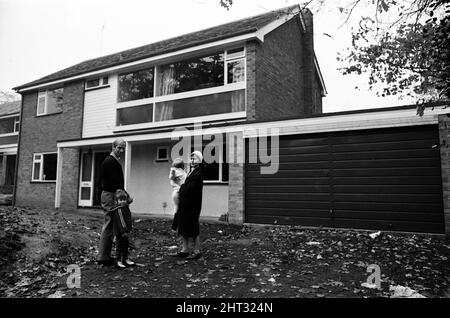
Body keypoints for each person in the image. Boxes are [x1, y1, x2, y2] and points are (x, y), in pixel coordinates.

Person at [97, 138, 131, 266]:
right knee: (109, 224)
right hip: (110, 195)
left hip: (113, 194)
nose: (121, 150)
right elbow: (113, 183)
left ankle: (105, 256)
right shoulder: (109, 161)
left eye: (123, 148)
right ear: (113, 147)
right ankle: (103, 257)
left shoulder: (114, 161)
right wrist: (125, 195)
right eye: (119, 148)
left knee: (113, 225)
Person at [171, 151, 204, 260]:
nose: (191, 160)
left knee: (193, 228)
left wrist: (181, 185)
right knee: (183, 226)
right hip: (185, 203)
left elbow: (189, 189)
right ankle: (185, 250)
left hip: (192, 204)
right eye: (191, 158)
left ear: (199, 160)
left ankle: (197, 250)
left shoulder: (198, 173)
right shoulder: (191, 171)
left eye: (194, 158)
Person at [110, 189, 135, 268]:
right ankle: (118, 260)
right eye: (120, 200)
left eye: (124, 199)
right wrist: (124, 231)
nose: (123, 201)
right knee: (120, 246)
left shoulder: (125, 208)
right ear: (117, 201)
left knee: (126, 245)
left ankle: (125, 259)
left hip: (125, 231)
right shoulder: (119, 210)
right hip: (120, 232)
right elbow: (122, 221)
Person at [169, 158, 187, 227]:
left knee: (178, 207)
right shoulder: (176, 172)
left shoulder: (180, 172)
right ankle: (176, 224)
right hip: (178, 192)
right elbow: (171, 177)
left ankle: (178, 224)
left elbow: (171, 178)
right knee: (177, 208)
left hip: (179, 191)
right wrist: (173, 174)